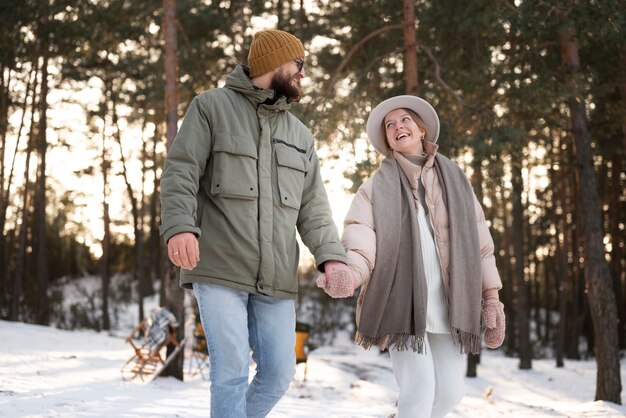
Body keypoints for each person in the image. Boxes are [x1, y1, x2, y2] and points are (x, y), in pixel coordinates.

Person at [159, 29, 352, 418]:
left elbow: (313, 206)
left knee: (279, 373)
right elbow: (181, 171)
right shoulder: (211, 107)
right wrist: (180, 226)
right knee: (230, 373)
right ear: (274, 62)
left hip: (277, 275)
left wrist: (332, 257)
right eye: (299, 64)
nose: (302, 73)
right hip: (220, 266)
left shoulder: (300, 135)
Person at [317, 95, 506, 418]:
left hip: (450, 306)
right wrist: (350, 274)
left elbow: (480, 244)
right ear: (388, 141)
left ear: (420, 130)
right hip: (402, 306)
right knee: (418, 393)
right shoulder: (375, 188)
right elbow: (361, 240)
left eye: (404, 120)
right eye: (389, 125)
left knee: (449, 395)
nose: (397, 127)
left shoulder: (456, 180)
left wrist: (491, 297)